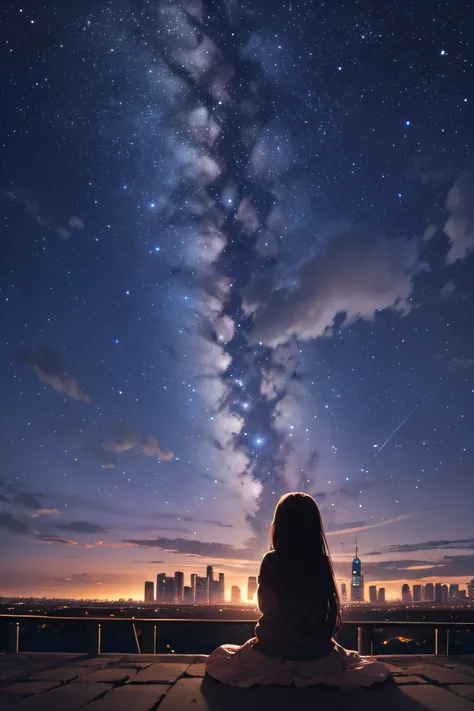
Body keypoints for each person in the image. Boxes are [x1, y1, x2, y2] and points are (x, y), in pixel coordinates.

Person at [205, 492, 390, 688]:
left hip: (270, 654)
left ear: (279, 526)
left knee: (222, 657)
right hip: (317, 657)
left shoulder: (272, 560)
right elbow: (327, 608)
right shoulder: (320, 561)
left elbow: (263, 605)